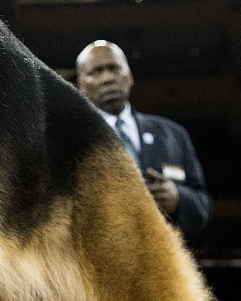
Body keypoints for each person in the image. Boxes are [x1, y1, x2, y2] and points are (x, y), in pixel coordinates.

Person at [73, 40, 211, 239]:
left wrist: (178, 199)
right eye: (95, 72)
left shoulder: (173, 134)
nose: (107, 78)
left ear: (129, 76)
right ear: (81, 86)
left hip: (162, 257)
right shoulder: (67, 142)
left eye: (114, 68)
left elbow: (203, 206)